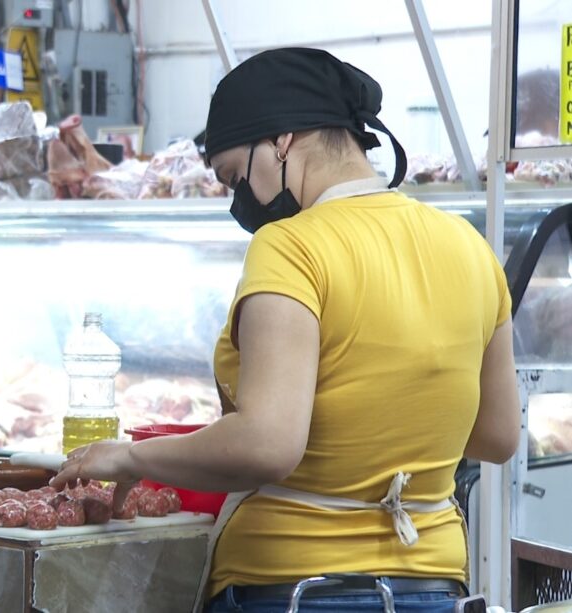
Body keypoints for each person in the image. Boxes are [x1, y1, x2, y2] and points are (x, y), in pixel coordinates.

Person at [51, 47, 520, 613]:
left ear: (281, 141)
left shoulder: (291, 245)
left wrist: (129, 458)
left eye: (233, 177)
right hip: (433, 586)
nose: (237, 200)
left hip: (293, 589)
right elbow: (497, 435)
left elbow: (267, 443)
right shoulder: (471, 247)